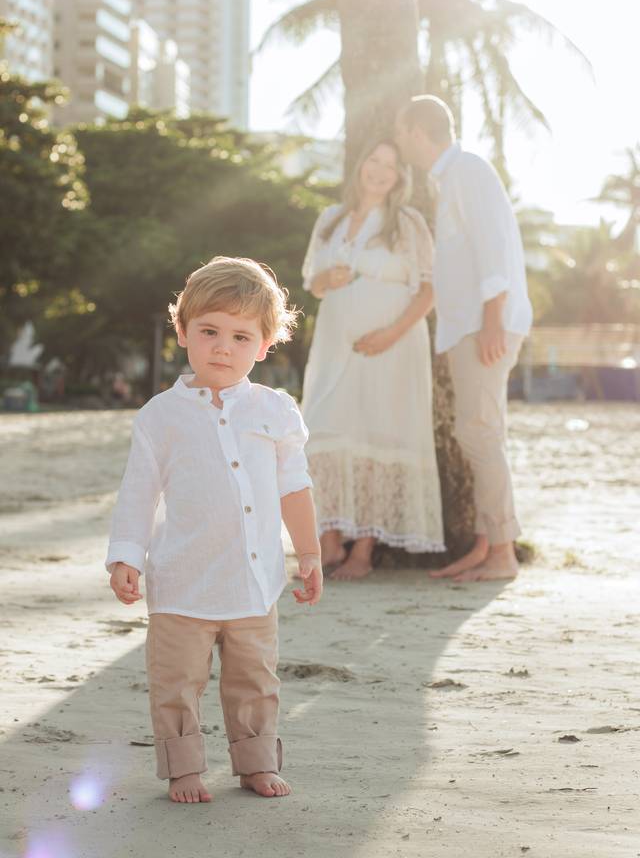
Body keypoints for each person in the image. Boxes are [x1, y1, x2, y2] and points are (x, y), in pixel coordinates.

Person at [106, 257, 323, 803]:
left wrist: (310, 554)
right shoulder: (160, 416)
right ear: (182, 332)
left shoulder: (276, 410)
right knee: (176, 684)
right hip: (182, 585)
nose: (223, 347)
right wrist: (125, 557)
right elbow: (138, 492)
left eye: (241, 336)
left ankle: (253, 765)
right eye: (209, 332)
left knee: (254, 682)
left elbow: (294, 487)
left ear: (266, 343)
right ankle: (183, 768)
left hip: (253, 583)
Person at [395, 95, 533, 582]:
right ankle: (485, 543)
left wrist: (492, 318)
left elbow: (493, 245)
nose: (399, 142)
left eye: (400, 131)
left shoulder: (468, 170)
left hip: (483, 325)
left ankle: (501, 552)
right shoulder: (449, 178)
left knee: (480, 434)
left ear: (417, 131)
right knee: (477, 431)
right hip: (469, 325)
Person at [301, 139, 445, 580]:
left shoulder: (407, 222)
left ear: (401, 176)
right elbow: (312, 282)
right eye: (374, 160)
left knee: (376, 435)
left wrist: (390, 334)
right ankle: (327, 543)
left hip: (393, 348)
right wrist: (328, 276)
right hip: (333, 346)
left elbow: (429, 288)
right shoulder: (330, 219)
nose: (380, 171)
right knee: (322, 429)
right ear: (360, 164)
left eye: (390, 165)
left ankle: (363, 551)